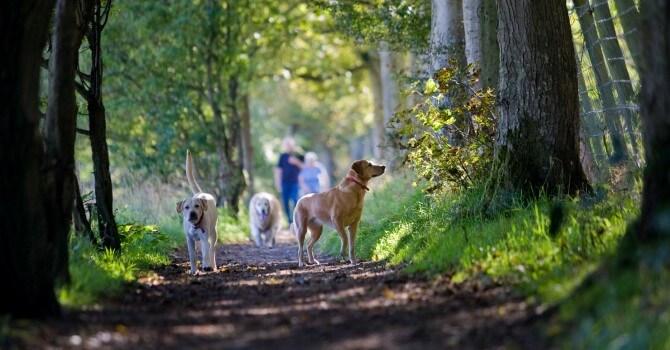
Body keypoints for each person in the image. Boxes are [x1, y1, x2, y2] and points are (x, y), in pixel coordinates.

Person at [274, 137, 303, 224]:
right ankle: (289, 219)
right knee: (285, 201)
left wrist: (296, 162)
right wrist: (277, 182)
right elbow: (278, 170)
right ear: (284, 146)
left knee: (295, 200)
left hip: (295, 182)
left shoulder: (298, 155)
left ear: (292, 145)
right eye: (286, 144)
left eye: (289, 144)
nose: (288, 146)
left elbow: (304, 167)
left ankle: (295, 218)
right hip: (284, 182)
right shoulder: (282, 156)